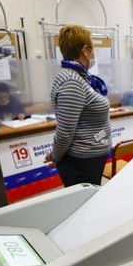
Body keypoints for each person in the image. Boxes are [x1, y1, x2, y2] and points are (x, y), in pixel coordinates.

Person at [43, 25, 111, 187]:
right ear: (85, 50)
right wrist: (55, 156)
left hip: (89, 158)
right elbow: (65, 131)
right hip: (81, 162)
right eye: (92, 48)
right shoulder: (71, 81)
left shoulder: (80, 77)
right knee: (83, 207)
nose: (94, 53)